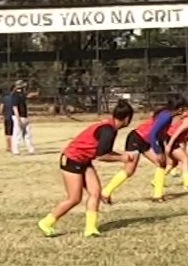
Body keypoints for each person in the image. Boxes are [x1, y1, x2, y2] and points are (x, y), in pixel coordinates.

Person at [41, 100, 133, 238]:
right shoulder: (108, 130)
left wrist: (121, 157)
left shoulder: (109, 126)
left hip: (83, 160)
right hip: (72, 159)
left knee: (95, 192)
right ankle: (46, 222)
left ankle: (90, 229)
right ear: (127, 119)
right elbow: (102, 155)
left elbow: (101, 152)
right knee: (74, 198)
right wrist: (122, 158)